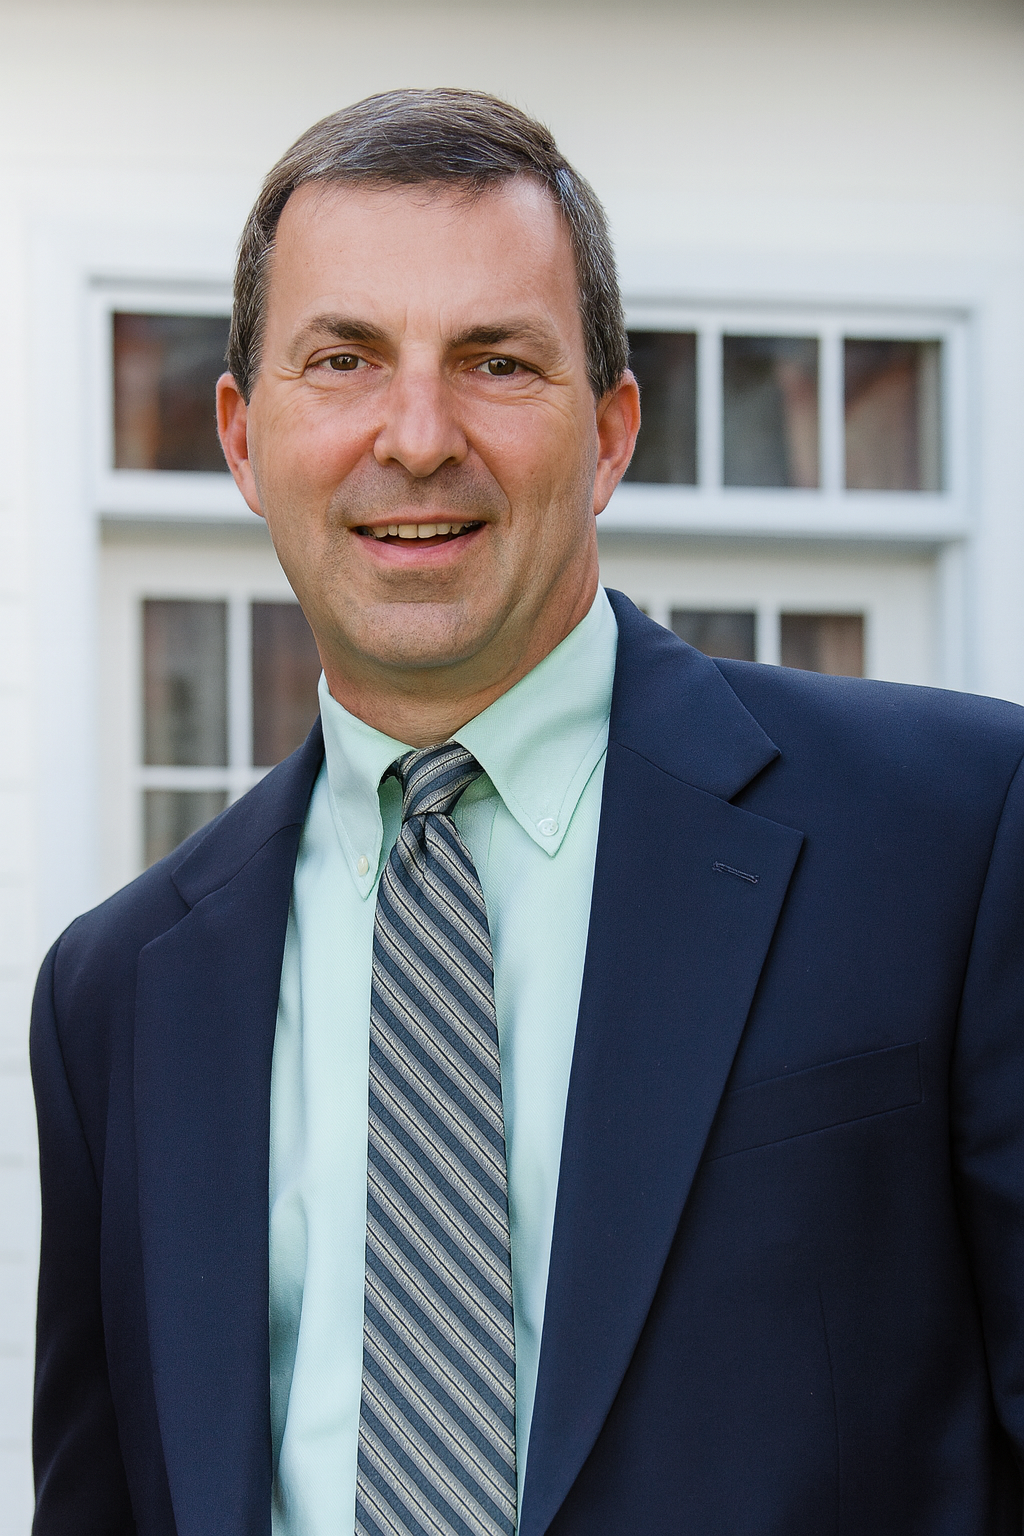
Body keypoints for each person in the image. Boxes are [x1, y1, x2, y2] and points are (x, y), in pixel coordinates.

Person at [30, 87, 1024, 1536]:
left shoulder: (962, 838)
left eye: (496, 361)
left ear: (611, 432)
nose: (418, 437)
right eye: (344, 359)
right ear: (244, 440)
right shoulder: (114, 997)